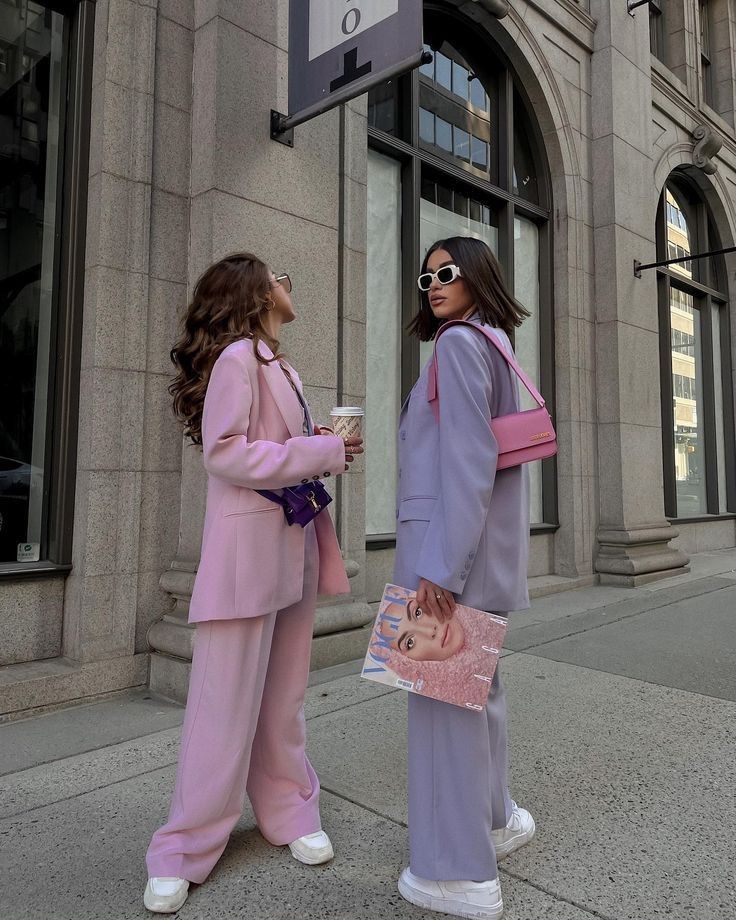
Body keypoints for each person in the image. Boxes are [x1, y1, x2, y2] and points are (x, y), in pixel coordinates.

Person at [143, 253, 363, 914]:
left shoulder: (281, 365)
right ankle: (181, 848)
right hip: (246, 552)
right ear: (253, 293)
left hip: (291, 545)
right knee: (221, 701)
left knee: (284, 694)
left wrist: (320, 441)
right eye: (279, 275)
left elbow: (272, 449)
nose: (289, 283)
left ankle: (290, 812)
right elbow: (226, 452)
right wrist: (321, 451)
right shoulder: (239, 357)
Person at [393, 236, 536, 919]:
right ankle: (495, 820)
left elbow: (469, 461)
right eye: (426, 277)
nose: (434, 284)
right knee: (479, 696)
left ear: (478, 275)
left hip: (446, 562)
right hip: (483, 559)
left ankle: (455, 875)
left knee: (443, 707)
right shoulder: (492, 344)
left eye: (447, 273)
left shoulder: (455, 346)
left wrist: (440, 572)